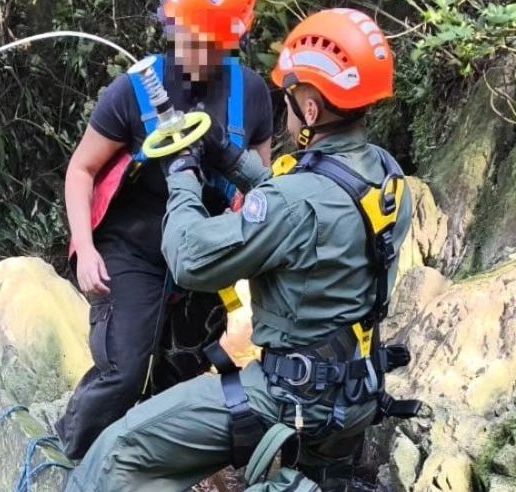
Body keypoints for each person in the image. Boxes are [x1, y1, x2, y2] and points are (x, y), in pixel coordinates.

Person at [64, 8, 420, 491]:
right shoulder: (387, 175)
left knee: (118, 452)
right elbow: (299, 195)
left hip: (288, 394)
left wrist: (183, 176)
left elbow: (190, 258)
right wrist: (229, 157)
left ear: (311, 110)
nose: (287, 111)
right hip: (355, 391)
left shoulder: (294, 199)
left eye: (292, 99)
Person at [56, 0, 274, 461]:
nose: (202, 55)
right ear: (173, 29)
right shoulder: (134, 91)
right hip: (133, 246)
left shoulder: (250, 94)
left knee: (183, 367)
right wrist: (86, 247)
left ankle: (150, 464)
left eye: (214, 46)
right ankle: (71, 451)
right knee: (125, 370)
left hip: (201, 249)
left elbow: (262, 185)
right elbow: (82, 169)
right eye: (193, 42)